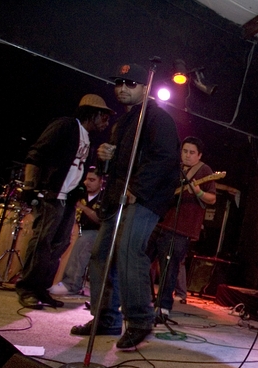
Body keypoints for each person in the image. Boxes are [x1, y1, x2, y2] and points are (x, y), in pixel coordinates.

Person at [70, 63, 180, 350]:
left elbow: (165, 159)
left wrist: (137, 189)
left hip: (143, 198)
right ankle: (105, 318)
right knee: (100, 254)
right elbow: (113, 167)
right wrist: (104, 155)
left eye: (130, 84)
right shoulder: (121, 124)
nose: (122, 88)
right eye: (119, 83)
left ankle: (141, 319)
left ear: (146, 87)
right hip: (118, 198)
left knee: (130, 251)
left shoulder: (158, 119)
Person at [15, 94, 114, 309]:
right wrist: (30, 186)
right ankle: (28, 288)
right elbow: (36, 154)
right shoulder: (66, 126)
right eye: (104, 117)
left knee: (59, 245)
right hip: (52, 194)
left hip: (67, 200)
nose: (106, 123)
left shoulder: (87, 138)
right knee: (42, 243)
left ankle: (42, 288)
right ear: (93, 113)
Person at [147, 136, 216, 319]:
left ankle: (163, 308)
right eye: (184, 151)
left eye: (192, 152)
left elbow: (212, 198)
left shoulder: (204, 171)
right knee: (142, 260)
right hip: (159, 222)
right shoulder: (174, 168)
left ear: (199, 155)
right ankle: (141, 299)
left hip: (180, 229)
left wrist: (198, 191)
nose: (187, 155)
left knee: (169, 268)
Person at [49, 166, 103, 296]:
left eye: (92, 180)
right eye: (85, 179)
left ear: (101, 182)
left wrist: (81, 206)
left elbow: (99, 219)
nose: (86, 183)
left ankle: (71, 284)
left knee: (84, 239)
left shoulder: (105, 197)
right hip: (76, 229)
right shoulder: (79, 193)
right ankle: (47, 279)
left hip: (96, 233)